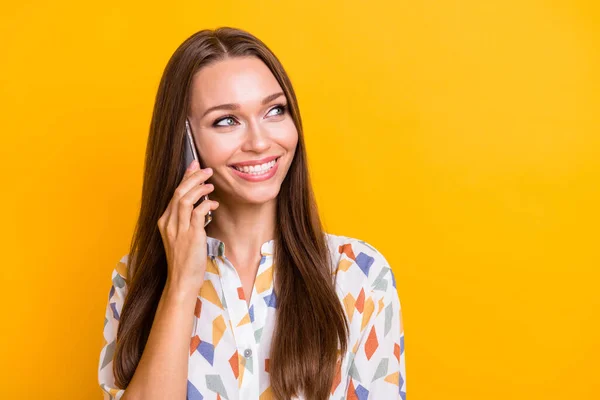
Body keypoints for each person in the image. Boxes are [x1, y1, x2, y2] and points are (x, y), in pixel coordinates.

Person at [97, 27, 406, 400]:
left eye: (275, 110)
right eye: (226, 120)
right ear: (185, 142)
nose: (260, 142)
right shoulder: (135, 281)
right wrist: (181, 285)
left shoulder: (359, 274)